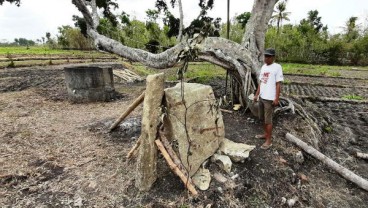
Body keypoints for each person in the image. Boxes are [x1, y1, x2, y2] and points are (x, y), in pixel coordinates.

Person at [253, 48, 284, 149]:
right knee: (263, 118)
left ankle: (269, 141)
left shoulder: (277, 67)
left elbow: (278, 84)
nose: (266, 58)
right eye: (265, 56)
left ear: (273, 57)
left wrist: (276, 99)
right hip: (262, 96)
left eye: (268, 56)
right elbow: (261, 82)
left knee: (268, 120)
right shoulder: (263, 67)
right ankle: (265, 134)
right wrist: (256, 94)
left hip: (269, 98)